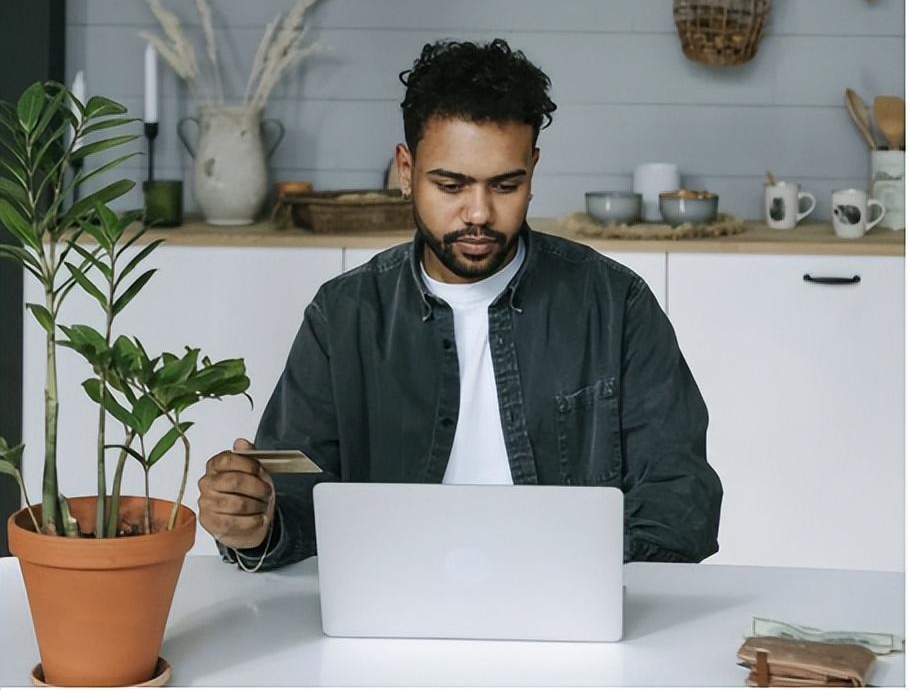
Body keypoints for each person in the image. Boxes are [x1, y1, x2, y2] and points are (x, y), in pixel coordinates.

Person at [198, 38, 722, 571]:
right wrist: (253, 520)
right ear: (406, 170)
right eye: (451, 185)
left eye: (506, 185)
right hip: (390, 607)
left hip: (569, 611)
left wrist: (568, 568)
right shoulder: (345, 314)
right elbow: (290, 486)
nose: (479, 212)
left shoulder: (615, 304)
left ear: (533, 169)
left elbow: (683, 497)